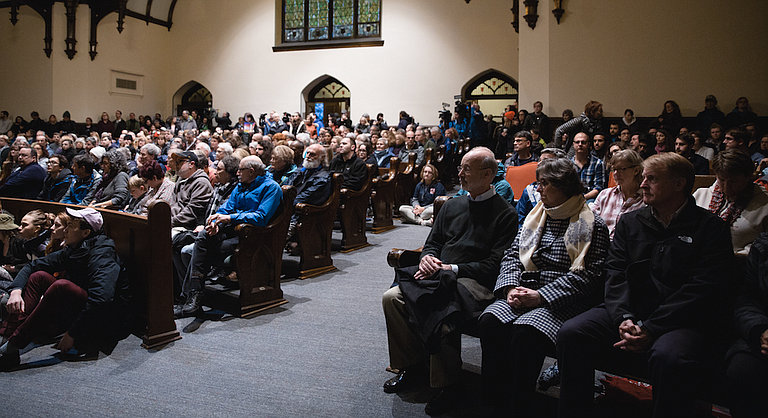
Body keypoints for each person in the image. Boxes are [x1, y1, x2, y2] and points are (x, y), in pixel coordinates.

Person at [557, 152, 735, 417]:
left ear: (679, 184)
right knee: (573, 333)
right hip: (631, 310)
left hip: (680, 319)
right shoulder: (632, 221)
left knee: (670, 358)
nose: (642, 185)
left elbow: (703, 289)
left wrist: (651, 328)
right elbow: (615, 272)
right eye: (643, 178)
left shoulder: (710, 228)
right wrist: (624, 317)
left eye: (651, 179)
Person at [381, 147, 517, 416]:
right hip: (439, 274)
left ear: (488, 174)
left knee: (440, 306)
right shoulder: (452, 204)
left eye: (467, 168)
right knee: (392, 299)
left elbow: (494, 266)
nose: (460, 173)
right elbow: (433, 243)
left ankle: (450, 384)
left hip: (475, 281)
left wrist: (452, 268)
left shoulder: (505, 214)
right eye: (461, 167)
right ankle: (412, 366)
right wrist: (427, 259)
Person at [479, 157, 610, 417]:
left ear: (564, 187)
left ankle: (519, 406)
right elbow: (511, 256)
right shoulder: (536, 215)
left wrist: (540, 296)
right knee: (490, 321)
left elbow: (590, 276)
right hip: (522, 291)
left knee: (526, 332)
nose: (538, 189)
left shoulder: (592, 224)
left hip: (561, 300)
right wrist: (509, 289)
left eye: (545, 184)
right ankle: (497, 400)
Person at [0, 208, 129, 370]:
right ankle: (7, 335)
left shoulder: (102, 254)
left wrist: (72, 333)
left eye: (70, 226)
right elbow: (32, 266)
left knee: (61, 286)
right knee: (38, 276)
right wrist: (16, 290)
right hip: (83, 309)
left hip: (103, 321)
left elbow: (102, 299)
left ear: (86, 232)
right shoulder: (75, 248)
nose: (65, 230)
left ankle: (13, 345)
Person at [175, 156, 282, 317]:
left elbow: (261, 217)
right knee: (204, 235)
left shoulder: (271, 188)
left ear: (251, 171)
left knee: (200, 248)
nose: (237, 173)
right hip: (233, 231)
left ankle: (190, 297)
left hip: (254, 236)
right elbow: (227, 208)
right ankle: (194, 295)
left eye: (240, 170)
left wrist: (230, 218)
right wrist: (216, 220)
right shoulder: (241, 186)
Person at [724, 232, 768, 417]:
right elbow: (747, 299)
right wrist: (761, 330)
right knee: (742, 370)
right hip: (763, 330)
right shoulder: (764, 245)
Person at [694, 149, 768, 256]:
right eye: (722, 180)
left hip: (741, 264)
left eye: (734, 181)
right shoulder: (701, 195)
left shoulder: (764, 203)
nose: (727, 186)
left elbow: (764, 244)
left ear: (748, 177)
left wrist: (742, 255)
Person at [590, 149, 645, 240]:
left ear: (636, 170)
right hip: (601, 245)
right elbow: (590, 221)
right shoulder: (605, 194)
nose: (616, 173)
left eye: (621, 169)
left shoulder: (645, 199)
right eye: (614, 169)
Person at [516, 148, 566, 228]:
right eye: (539, 160)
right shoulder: (530, 190)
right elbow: (519, 219)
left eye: (545, 161)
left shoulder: (566, 191)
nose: (539, 164)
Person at [570, 132, 605, 202]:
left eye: (583, 142)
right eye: (577, 142)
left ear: (588, 144)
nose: (580, 144)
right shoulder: (567, 164)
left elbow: (598, 187)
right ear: (573, 144)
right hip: (571, 198)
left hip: (590, 198)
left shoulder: (598, 163)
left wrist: (583, 198)